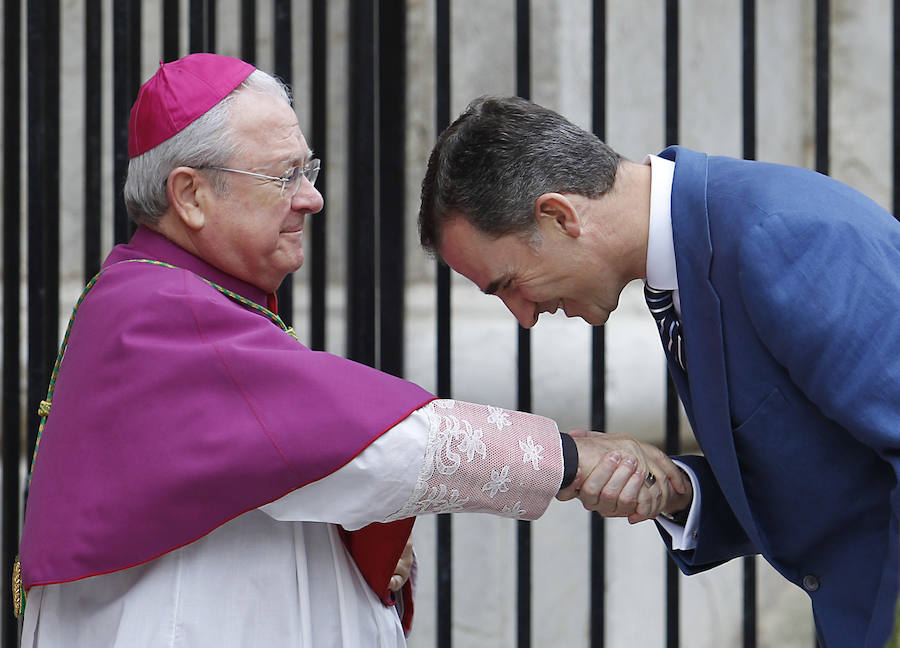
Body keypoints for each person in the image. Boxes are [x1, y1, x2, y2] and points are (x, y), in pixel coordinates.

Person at [16, 56, 688, 647]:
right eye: (284, 175)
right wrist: (569, 458)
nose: (313, 198)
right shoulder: (161, 314)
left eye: (307, 169)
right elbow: (379, 446)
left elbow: (284, 476)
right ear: (191, 195)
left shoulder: (184, 303)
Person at [418, 95, 900, 648]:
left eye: (507, 284)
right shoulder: (696, 254)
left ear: (559, 216)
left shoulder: (778, 234)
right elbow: (831, 468)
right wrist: (674, 489)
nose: (523, 316)